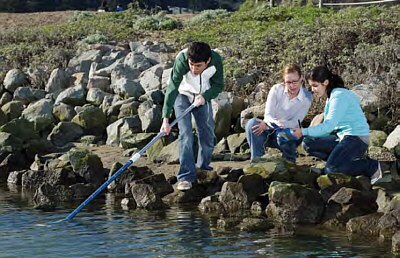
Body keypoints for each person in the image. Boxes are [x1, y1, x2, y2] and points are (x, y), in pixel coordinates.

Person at [291, 66, 382, 184]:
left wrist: (303, 131)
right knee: (308, 143)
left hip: (356, 138)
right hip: (342, 137)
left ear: (326, 82)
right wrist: (305, 134)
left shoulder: (339, 96)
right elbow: (329, 129)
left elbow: (328, 126)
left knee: (332, 169)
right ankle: (343, 160)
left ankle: (371, 166)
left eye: (315, 85)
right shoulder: (332, 96)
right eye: (311, 86)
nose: (313, 89)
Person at [161, 42, 224, 191]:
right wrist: (165, 119)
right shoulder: (182, 60)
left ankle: (203, 169)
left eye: (198, 66)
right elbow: (172, 89)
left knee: (207, 133)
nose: (194, 70)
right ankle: (185, 177)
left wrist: (205, 96)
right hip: (182, 95)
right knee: (186, 134)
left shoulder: (215, 60)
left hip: (202, 96)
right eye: (191, 65)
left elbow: (218, 85)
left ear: (207, 61)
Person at [245, 64, 313, 163]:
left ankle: (290, 162)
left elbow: (295, 122)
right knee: (252, 124)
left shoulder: (307, 97)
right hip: (270, 129)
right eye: (288, 82)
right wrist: (268, 123)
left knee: (284, 134)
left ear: (301, 78)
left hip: (290, 132)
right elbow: (268, 114)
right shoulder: (276, 89)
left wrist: (280, 124)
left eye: (295, 81)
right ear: (283, 81)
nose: (292, 85)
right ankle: (256, 160)